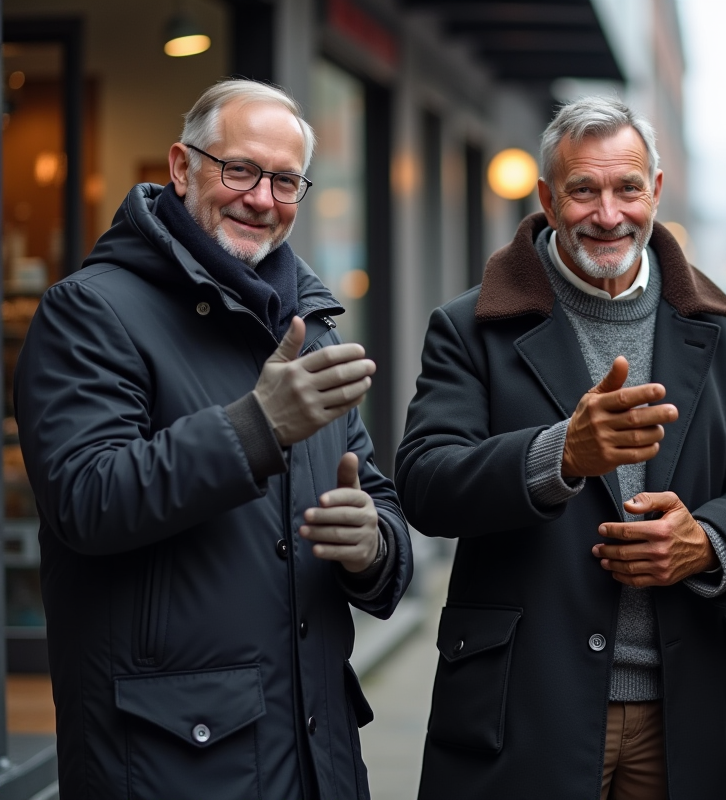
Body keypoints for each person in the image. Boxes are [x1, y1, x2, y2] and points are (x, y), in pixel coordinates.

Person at [14, 80, 412, 800]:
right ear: (180, 166)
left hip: (316, 758)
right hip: (170, 766)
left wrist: (373, 546)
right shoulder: (90, 312)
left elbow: (375, 496)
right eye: (240, 170)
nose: (261, 198)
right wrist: (255, 427)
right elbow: (85, 498)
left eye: (285, 180)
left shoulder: (311, 325)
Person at [397, 96, 726, 799]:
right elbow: (424, 483)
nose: (609, 214)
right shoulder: (469, 326)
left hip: (686, 705)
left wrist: (709, 542)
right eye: (584, 190)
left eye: (628, 188)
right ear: (547, 197)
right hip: (524, 709)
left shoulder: (717, 325)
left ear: (655, 192)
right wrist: (560, 454)